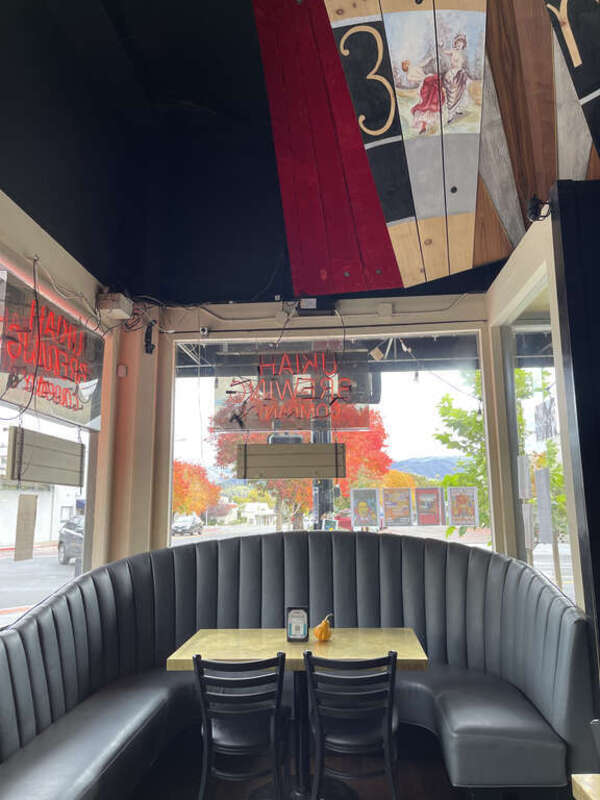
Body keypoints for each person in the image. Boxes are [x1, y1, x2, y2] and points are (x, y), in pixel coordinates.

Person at [402, 59, 445, 135]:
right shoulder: (409, 75)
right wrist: (425, 79)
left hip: (428, 82)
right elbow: (418, 78)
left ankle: (426, 126)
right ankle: (424, 126)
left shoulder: (414, 67)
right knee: (425, 105)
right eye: (406, 64)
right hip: (425, 85)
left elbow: (423, 64)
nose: (408, 64)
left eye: (407, 63)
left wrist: (430, 59)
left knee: (430, 103)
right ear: (405, 66)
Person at [443, 33, 470, 124]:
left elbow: (461, 65)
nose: (459, 44)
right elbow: (444, 52)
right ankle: (450, 114)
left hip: (460, 74)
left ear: (463, 45)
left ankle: (458, 109)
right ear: (455, 43)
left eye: (461, 43)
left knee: (462, 92)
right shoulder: (453, 51)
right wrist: (441, 46)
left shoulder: (462, 54)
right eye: (458, 42)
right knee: (452, 94)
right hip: (453, 74)